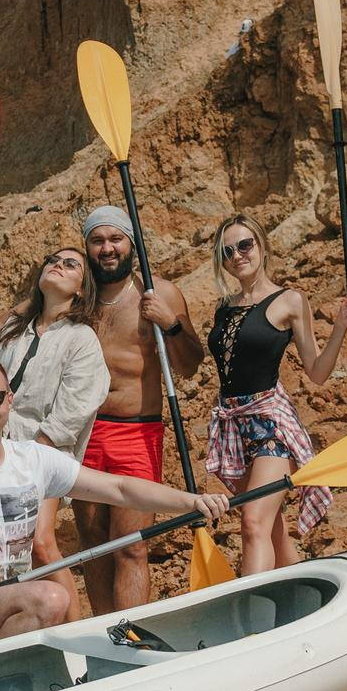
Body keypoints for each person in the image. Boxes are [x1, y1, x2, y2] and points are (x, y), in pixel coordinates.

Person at [0, 355, 229, 655]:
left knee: (44, 601)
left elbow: (120, 488)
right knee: (51, 598)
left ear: (9, 400)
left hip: (12, 610)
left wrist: (191, 501)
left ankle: (9, 689)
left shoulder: (33, 460)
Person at [72, 205, 207, 614]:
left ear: (131, 243)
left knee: (130, 546)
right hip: (85, 432)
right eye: (98, 240)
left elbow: (190, 363)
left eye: (116, 239)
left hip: (137, 432)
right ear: (88, 247)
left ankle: (130, 634)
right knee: (93, 547)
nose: (107, 248)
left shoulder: (159, 293)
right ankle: (104, 635)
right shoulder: (78, 300)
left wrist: (171, 324)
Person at [204, 214, 347, 572]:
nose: (238, 255)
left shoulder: (289, 300)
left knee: (253, 522)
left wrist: (338, 329)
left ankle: (254, 620)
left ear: (262, 246)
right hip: (233, 425)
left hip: (270, 423)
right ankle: (301, 598)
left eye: (245, 245)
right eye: (228, 251)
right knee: (271, 528)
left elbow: (316, 372)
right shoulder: (222, 308)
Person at [0, 246, 109, 577]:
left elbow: (75, 408)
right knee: (3, 549)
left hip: (41, 454)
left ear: (82, 289)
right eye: (52, 261)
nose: (57, 266)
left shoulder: (81, 338)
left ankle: (71, 622)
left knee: (40, 543)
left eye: (70, 265)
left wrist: (30, 457)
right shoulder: (14, 329)